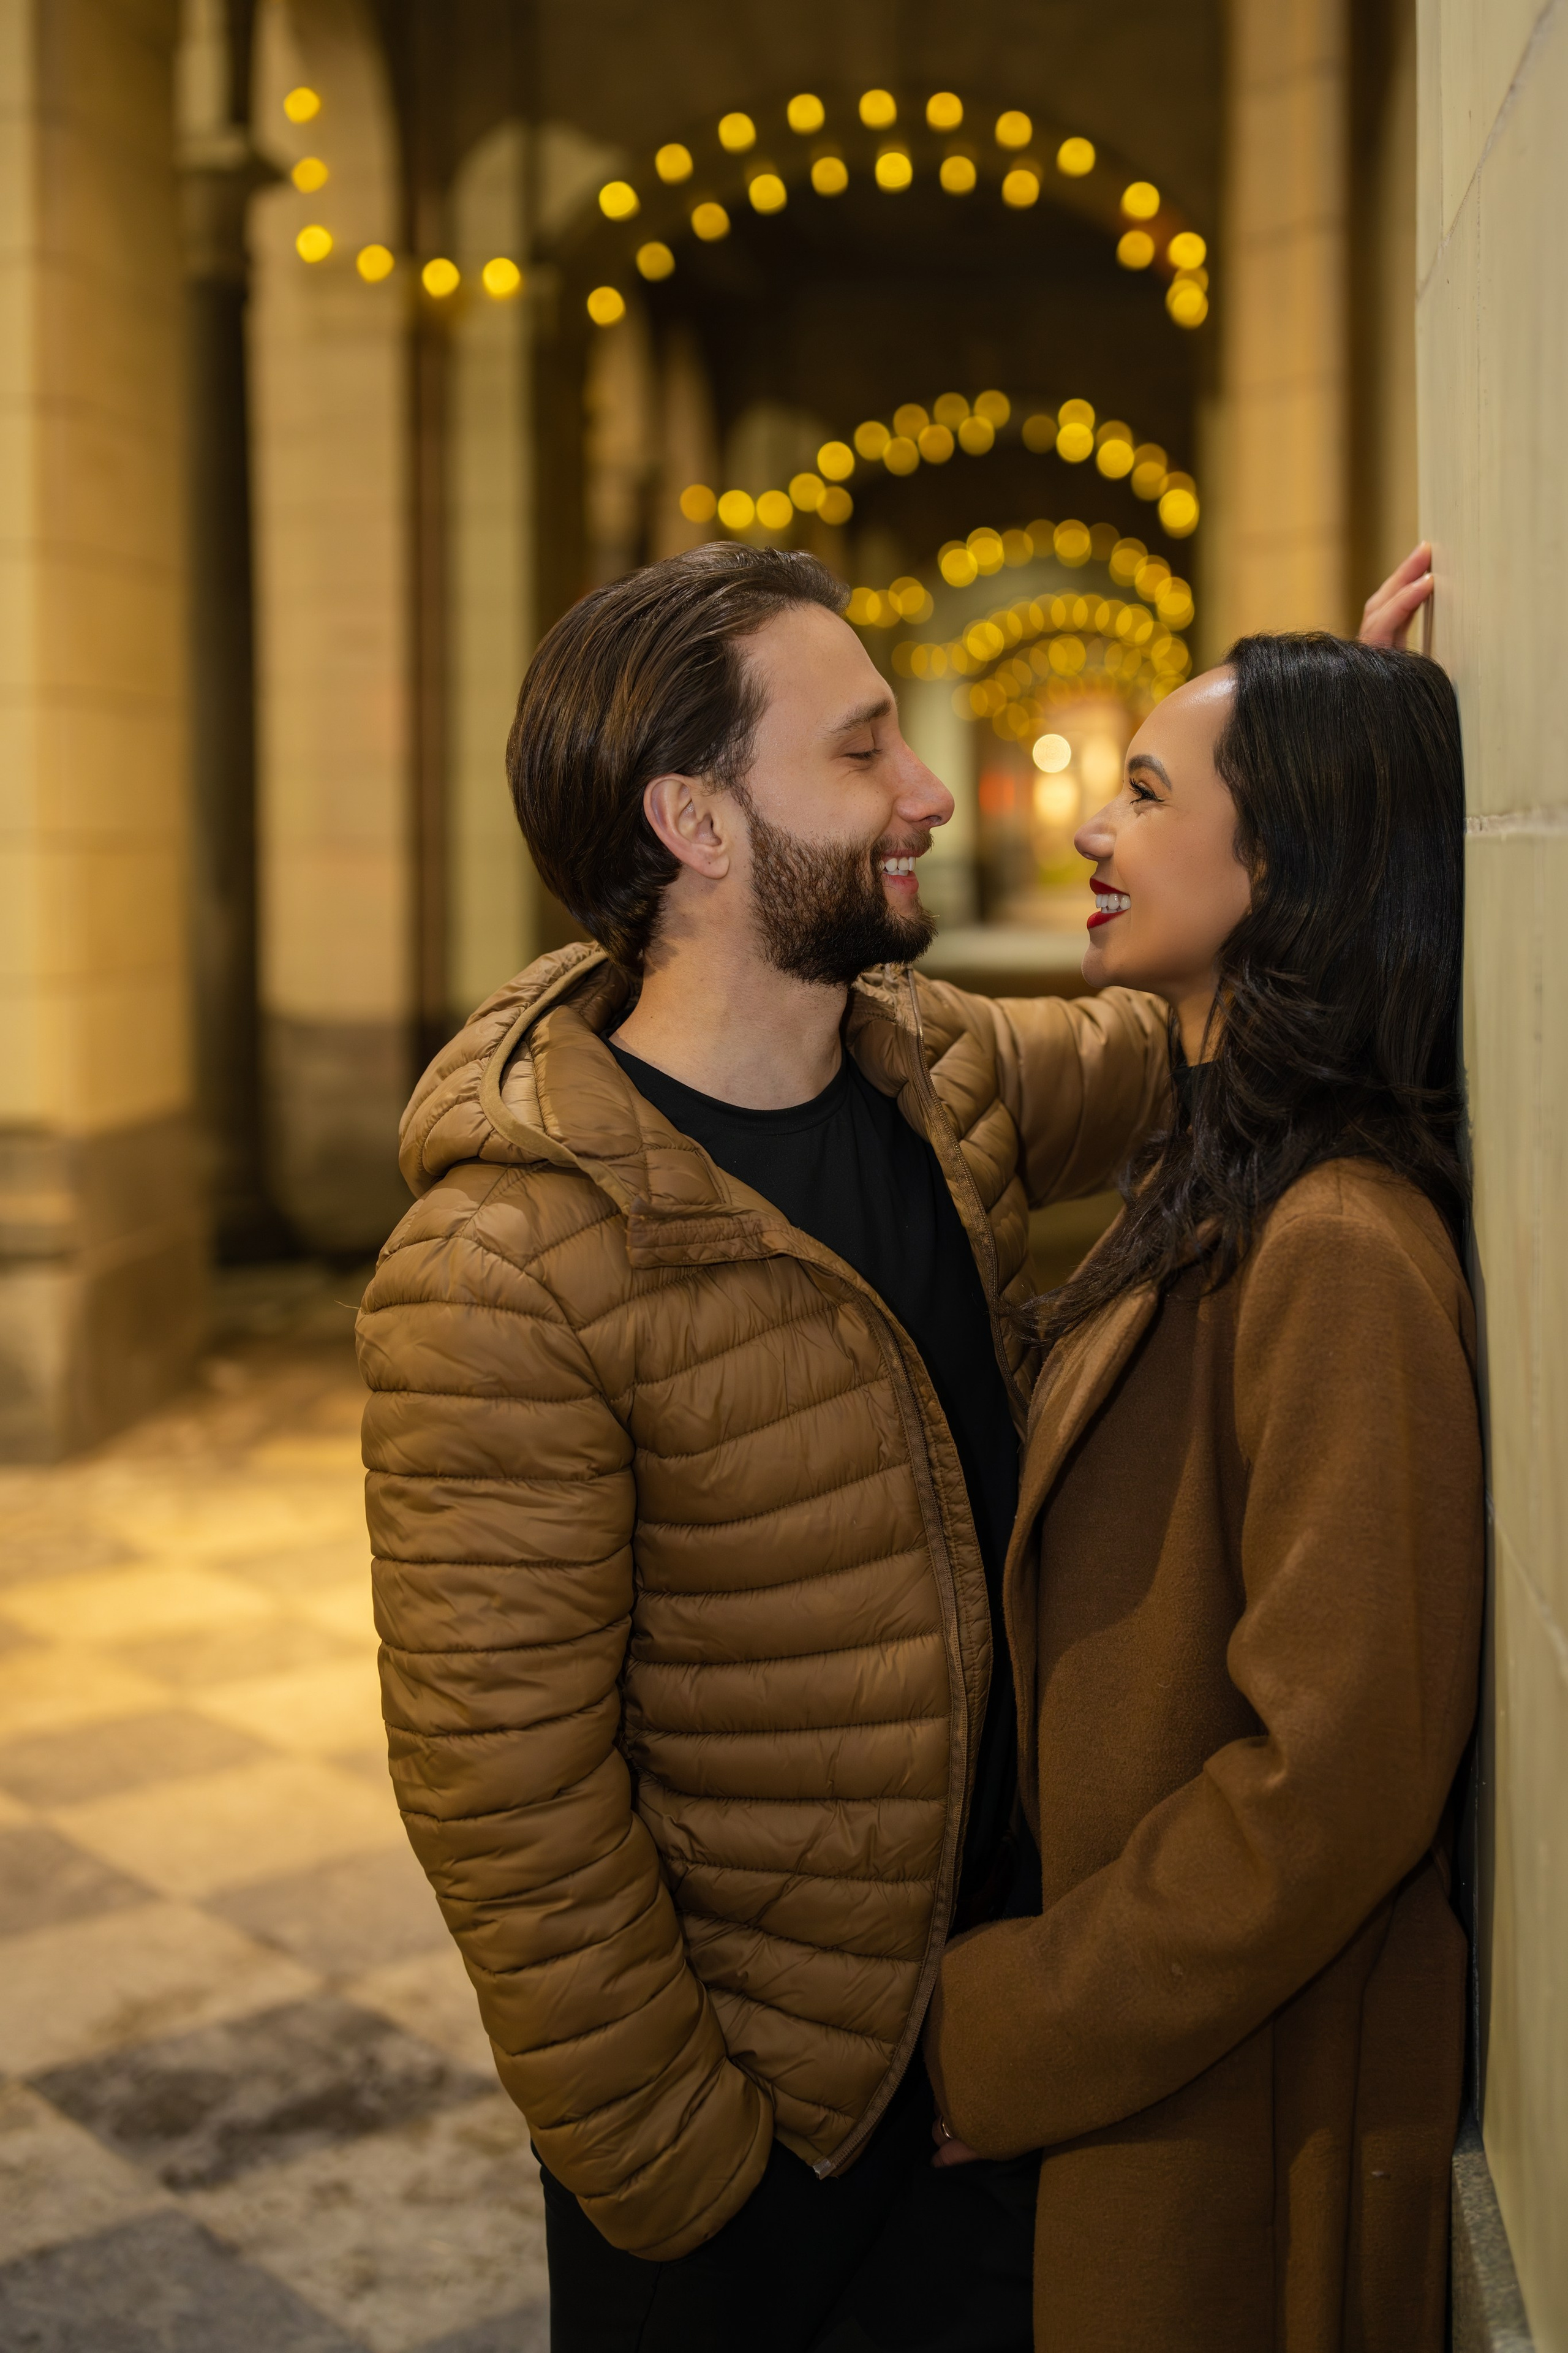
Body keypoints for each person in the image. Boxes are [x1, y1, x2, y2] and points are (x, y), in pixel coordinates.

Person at [356, 541, 1175, 2353]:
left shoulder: (932, 1071)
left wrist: (1331, 760)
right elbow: (509, 1798)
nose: (929, 790)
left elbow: (1187, 1045)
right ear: (697, 823)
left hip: (985, 2057)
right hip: (752, 2155)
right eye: (864, 748)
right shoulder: (503, 1261)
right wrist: (687, 2170)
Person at [922, 630, 1483, 2353]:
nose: (1096, 827)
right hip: (1174, 2072)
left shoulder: (1336, 1243)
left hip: (1238, 2112)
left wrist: (1012, 2023)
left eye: (1148, 794)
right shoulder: (1217, 1151)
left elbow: (1329, 1782)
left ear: (1285, 865)